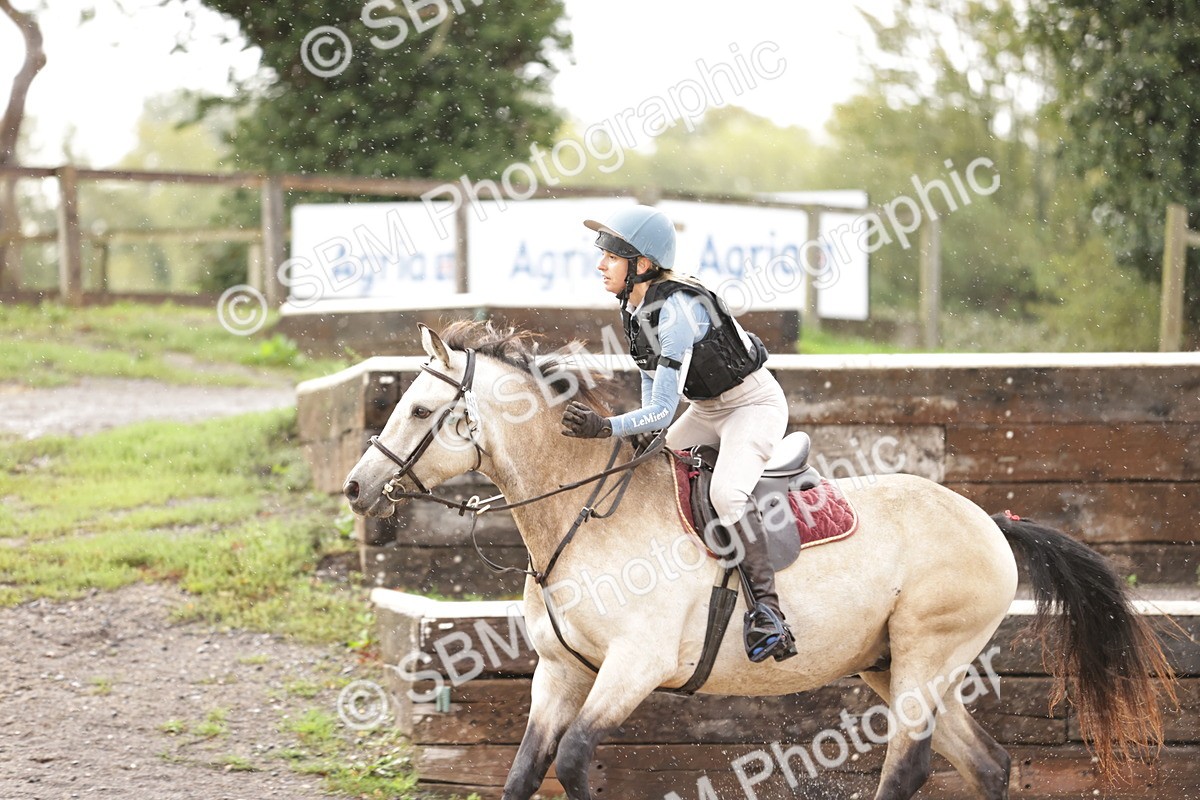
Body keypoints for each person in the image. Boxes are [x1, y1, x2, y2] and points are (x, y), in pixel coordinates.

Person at [560, 204, 797, 663]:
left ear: (642, 265)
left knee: (728, 495)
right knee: (645, 465)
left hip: (753, 407)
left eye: (611, 256)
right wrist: (634, 435)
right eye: (602, 254)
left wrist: (605, 427)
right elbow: (656, 410)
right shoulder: (636, 310)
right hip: (706, 410)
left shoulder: (676, 315)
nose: (600, 264)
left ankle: (768, 612)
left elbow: (663, 410)